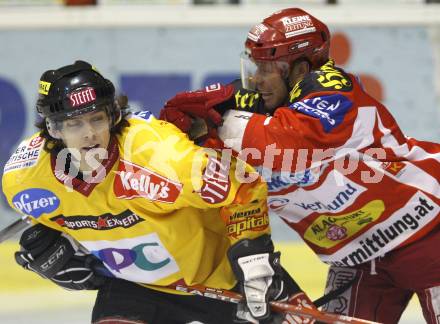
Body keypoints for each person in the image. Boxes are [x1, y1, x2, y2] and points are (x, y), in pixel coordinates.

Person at [160, 7, 440, 324]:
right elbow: (206, 172)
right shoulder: (259, 106)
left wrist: (218, 122)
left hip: (428, 233)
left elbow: (282, 144)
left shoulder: (335, 92)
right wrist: (189, 130)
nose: (255, 78)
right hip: (359, 259)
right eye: (255, 65)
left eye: (266, 68)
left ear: (300, 68)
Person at [2, 60, 301, 324]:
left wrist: (253, 260)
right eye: (75, 123)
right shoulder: (25, 181)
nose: (89, 133)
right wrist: (57, 254)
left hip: (222, 280)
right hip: (134, 290)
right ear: (53, 129)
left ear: (113, 117)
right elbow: (56, 221)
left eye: (97, 119)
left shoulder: (159, 158)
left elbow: (242, 184)